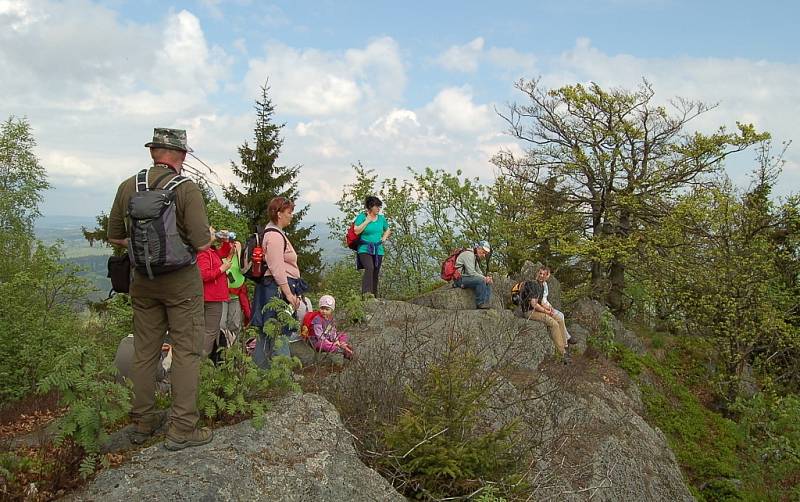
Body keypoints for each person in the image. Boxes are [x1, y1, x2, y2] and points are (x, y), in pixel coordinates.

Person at [107, 127, 213, 450]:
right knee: (186, 350)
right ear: (180, 155)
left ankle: (143, 421)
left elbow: (114, 235)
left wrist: (145, 250)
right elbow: (202, 241)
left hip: (143, 282)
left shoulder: (129, 186)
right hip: (182, 284)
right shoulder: (186, 189)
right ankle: (182, 428)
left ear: (154, 152)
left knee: (144, 352)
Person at [251, 196, 308, 369]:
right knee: (279, 330)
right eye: (289, 212)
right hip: (276, 290)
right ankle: (283, 376)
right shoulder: (275, 237)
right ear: (279, 214)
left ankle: (260, 375)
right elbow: (276, 268)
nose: (292, 215)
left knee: (266, 331)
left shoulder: (274, 233)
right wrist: (289, 294)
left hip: (270, 289)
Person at [522, 265, 569, 361]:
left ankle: (564, 345)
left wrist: (549, 308)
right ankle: (562, 353)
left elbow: (542, 302)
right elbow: (534, 304)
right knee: (554, 324)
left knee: (559, 318)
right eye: (540, 273)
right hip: (529, 311)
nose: (541, 276)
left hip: (536, 309)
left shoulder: (542, 285)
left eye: (544, 274)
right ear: (537, 273)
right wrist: (546, 311)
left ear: (547, 276)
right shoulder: (533, 284)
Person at [197, 226, 231, 357]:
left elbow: (224, 252)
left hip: (213, 297)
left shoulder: (210, 251)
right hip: (210, 298)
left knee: (208, 330)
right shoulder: (202, 252)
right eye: (211, 232)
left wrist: (226, 240)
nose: (214, 233)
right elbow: (204, 275)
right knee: (210, 331)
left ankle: (201, 361)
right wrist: (222, 269)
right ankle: (201, 362)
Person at [354, 196, 391, 297]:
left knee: (375, 271)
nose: (379, 208)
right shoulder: (362, 217)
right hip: (364, 248)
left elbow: (387, 230)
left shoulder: (381, 219)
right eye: (377, 206)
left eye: (380, 206)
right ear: (370, 207)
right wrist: (367, 221)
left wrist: (383, 238)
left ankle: (374, 295)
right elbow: (356, 230)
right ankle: (366, 294)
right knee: (369, 268)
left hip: (378, 249)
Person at [540, 268, 576, 346]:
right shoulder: (540, 285)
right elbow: (541, 301)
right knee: (560, 317)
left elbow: (545, 299)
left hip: (546, 306)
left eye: (545, 274)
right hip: (542, 308)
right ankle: (565, 341)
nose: (543, 276)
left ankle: (567, 337)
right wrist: (548, 308)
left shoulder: (545, 284)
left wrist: (551, 306)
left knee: (561, 315)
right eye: (541, 274)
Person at [454, 241, 493, 309]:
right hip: (459, 279)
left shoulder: (474, 257)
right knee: (481, 280)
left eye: (485, 254)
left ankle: (486, 302)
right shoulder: (468, 254)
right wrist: (484, 278)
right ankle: (480, 303)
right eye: (483, 252)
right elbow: (471, 272)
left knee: (486, 281)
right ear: (478, 248)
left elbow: (479, 272)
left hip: (466, 278)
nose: (484, 255)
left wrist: (487, 278)